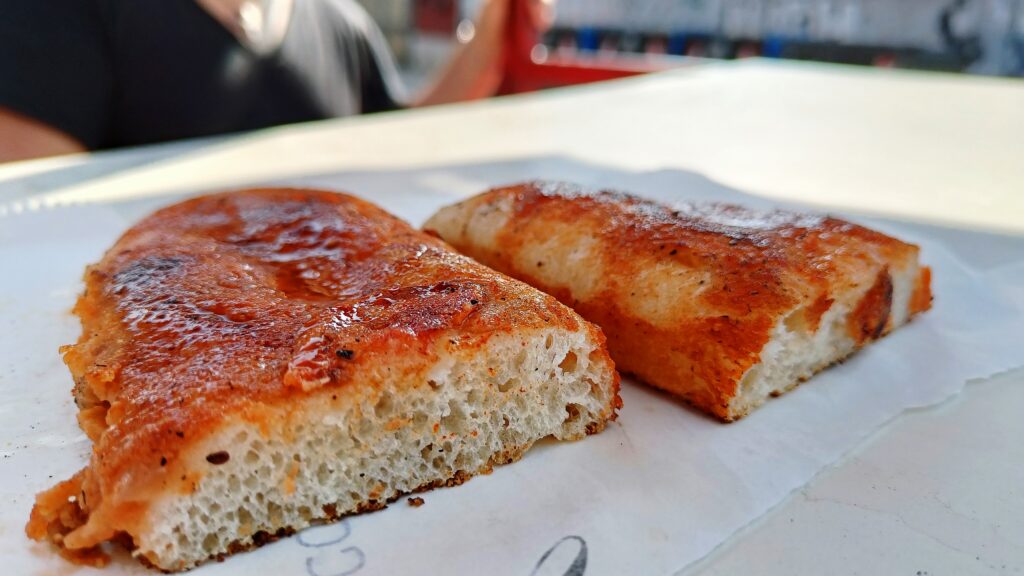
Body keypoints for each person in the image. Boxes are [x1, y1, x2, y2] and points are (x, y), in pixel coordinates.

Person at [0, 0, 552, 163]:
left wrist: (490, 27)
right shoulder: (57, 14)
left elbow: (404, 141)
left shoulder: (342, 23)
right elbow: (33, 221)